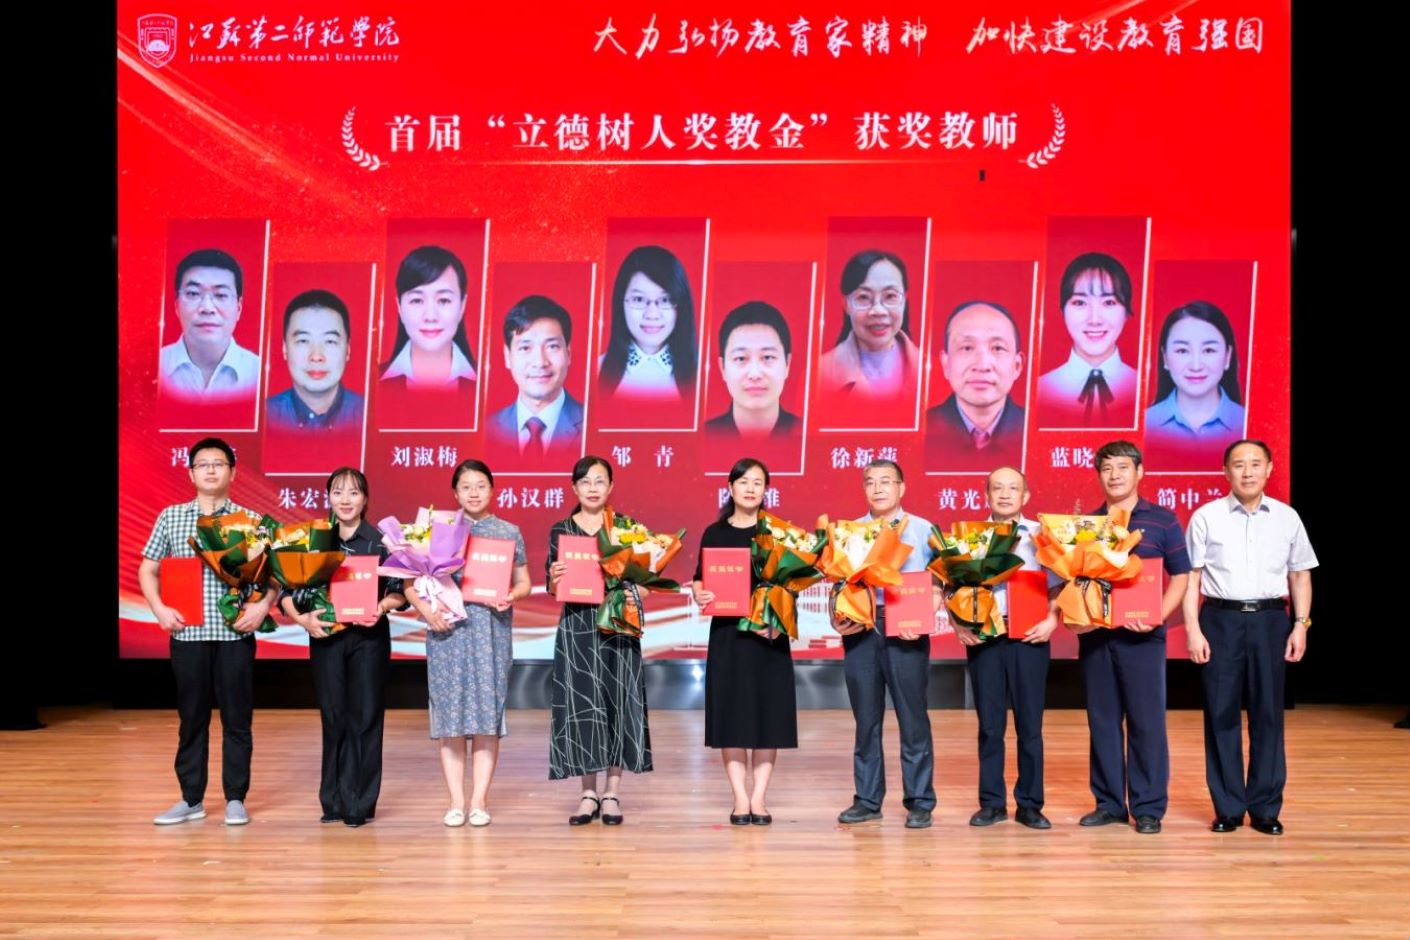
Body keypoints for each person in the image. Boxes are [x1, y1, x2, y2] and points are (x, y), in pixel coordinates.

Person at [137, 437, 277, 826]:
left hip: (235, 636)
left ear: (233, 472)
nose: (211, 470)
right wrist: (159, 608)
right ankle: (190, 799)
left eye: (219, 463)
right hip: (187, 635)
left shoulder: (249, 520)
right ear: (191, 474)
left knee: (237, 720)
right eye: (203, 464)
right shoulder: (171, 517)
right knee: (192, 719)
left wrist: (261, 607)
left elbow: (272, 578)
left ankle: (235, 798)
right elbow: (148, 568)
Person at [1184, 440, 1318, 836]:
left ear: (1269, 469)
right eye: (1239, 465)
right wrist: (1192, 629)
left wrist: (1301, 624)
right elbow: (1191, 578)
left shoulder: (1287, 518)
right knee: (1220, 713)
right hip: (1220, 620)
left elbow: (1300, 575)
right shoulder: (1206, 516)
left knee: (1268, 714)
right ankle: (1227, 808)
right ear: (1225, 471)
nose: (1247, 472)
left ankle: (1265, 809)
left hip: (1270, 621)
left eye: (1255, 464)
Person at [405, 459, 531, 828]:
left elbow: (523, 582)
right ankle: (456, 802)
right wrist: (427, 612)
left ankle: (479, 801)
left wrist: (512, 594)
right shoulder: (437, 530)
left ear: (492, 489)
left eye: (480, 486)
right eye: (466, 487)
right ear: (455, 493)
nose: (473, 493)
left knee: (486, 719)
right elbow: (409, 583)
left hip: (490, 633)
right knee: (451, 719)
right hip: (447, 633)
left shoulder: (508, 531)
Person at [280, 467, 405, 827]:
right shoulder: (315, 539)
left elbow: (400, 591)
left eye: (353, 492)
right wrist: (304, 620)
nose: (346, 500)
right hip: (326, 637)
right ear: (329, 497)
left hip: (368, 638)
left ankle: (359, 803)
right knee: (333, 715)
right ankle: (333, 800)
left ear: (365, 499)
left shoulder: (381, 541)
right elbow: (287, 592)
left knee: (365, 717)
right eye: (338, 492)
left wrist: (381, 606)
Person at [1077, 440, 1191, 834]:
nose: (1114, 475)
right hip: (1097, 637)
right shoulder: (1088, 525)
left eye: (1123, 467)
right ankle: (1109, 803)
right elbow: (1077, 579)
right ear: (1099, 475)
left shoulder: (1162, 519)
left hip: (1144, 638)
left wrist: (1158, 613)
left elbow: (1182, 574)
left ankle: (1148, 807)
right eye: (1107, 468)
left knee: (1146, 722)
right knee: (1102, 721)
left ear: (1139, 472)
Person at [833, 459, 939, 830]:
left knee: (913, 718)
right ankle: (867, 799)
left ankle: (920, 801)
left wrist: (925, 615)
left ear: (901, 488)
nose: (877, 488)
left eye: (885, 481)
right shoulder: (851, 531)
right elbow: (839, 583)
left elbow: (941, 579)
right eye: (870, 482)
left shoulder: (923, 529)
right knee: (866, 720)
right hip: (862, 629)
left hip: (907, 630)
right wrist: (837, 617)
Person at [690, 458, 796, 826]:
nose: (750, 489)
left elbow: (792, 585)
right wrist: (699, 593)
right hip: (728, 637)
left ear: (766, 490)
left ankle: (759, 798)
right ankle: (739, 798)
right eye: (744, 482)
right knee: (731, 718)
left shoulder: (777, 534)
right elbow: (700, 578)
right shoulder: (714, 533)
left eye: (758, 483)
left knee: (768, 718)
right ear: (730, 487)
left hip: (769, 637)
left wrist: (779, 622)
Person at [545, 456, 651, 825]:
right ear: (574, 488)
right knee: (583, 704)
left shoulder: (626, 529)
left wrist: (630, 586)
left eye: (600, 481)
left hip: (618, 624)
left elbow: (644, 587)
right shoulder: (561, 530)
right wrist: (555, 577)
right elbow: (551, 587)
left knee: (616, 701)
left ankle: (612, 793)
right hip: (577, 626)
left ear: (611, 486)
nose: (593, 488)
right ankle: (588, 793)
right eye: (585, 482)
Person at [957, 466, 1060, 829]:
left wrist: (1052, 620)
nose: (1004, 494)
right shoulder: (971, 536)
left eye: (1012, 488)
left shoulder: (1041, 536)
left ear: (1025, 496)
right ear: (986, 495)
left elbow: (1057, 584)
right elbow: (954, 586)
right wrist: (958, 624)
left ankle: (1030, 804)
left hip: (1029, 635)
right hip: (986, 635)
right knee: (990, 725)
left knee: (1030, 725)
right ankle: (992, 803)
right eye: (997, 488)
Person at [377, 246, 478, 427]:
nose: (430, 316)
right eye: (417, 300)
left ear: (462, 306)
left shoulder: (489, 386)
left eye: (444, 300)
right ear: (399, 307)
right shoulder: (370, 386)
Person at [1036, 253, 1138, 427]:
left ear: (1127, 312)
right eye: (1080, 303)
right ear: (1062, 311)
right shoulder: (1039, 392)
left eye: (1109, 302)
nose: (1094, 319)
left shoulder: (1143, 390)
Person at [597, 245, 698, 417]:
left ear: (681, 305)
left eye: (665, 300)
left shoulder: (704, 374)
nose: (652, 314)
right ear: (620, 303)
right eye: (638, 299)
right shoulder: (595, 372)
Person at [925, 301, 1026, 472]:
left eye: (997, 348)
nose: (982, 365)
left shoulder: (1036, 434)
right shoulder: (920, 432)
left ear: (1017, 366)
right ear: (946, 364)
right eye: (966, 348)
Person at [1143, 301, 1246, 467]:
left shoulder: (1248, 424)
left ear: (1228, 357)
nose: (1196, 366)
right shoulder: (1144, 426)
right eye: (1182, 351)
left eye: (1209, 350)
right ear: (1165, 357)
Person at [486, 296, 585, 465]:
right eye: (525, 348)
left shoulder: (592, 426)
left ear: (568, 354)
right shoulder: (487, 430)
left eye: (552, 346)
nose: (540, 362)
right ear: (507, 356)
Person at [703, 302, 801, 467]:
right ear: (722, 368)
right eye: (741, 358)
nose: (755, 374)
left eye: (767, 357)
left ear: (787, 364)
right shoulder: (701, 438)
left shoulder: (807, 436)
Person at [818, 250, 921, 406]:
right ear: (846, 305)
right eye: (863, 297)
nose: (878, 311)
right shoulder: (818, 376)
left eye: (890, 296)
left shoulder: (934, 373)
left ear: (904, 301)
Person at [159, 249, 261, 402]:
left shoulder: (258, 374)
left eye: (221, 295)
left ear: (239, 308)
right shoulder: (154, 369)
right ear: (177, 305)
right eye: (193, 293)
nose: (207, 308)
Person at [265, 289, 365, 433]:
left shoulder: (370, 417)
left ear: (348, 350)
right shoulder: (261, 417)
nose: (316, 356)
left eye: (330, 341)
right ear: (285, 349)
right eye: (303, 341)